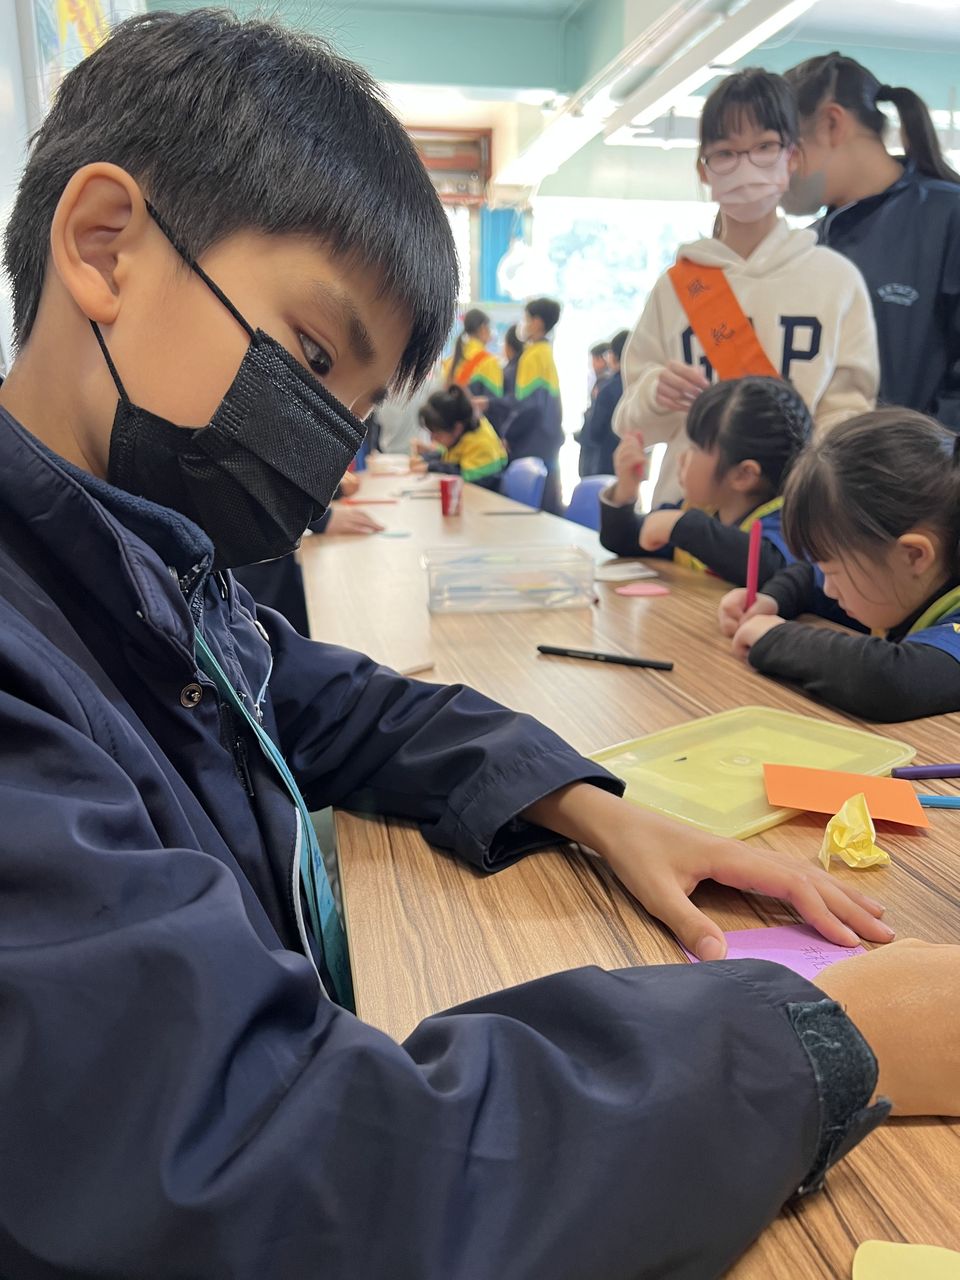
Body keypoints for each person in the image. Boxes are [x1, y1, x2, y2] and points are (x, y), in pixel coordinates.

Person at [0, 12, 955, 1278]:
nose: (322, 453)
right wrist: (825, 1033)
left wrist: (595, 805)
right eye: (313, 353)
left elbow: (330, 701)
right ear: (102, 243)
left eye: (353, 409)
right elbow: (291, 1170)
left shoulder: (130, 562)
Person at [614, 68, 879, 507]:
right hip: (685, 513)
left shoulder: (836, 279)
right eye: (725, 153)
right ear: (704, 170)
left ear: (792, 157)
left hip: (793, 516)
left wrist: (803, 487)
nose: (745, 166)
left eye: (764, 147)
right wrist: (654, 393)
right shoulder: (676, 287)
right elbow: (630, 424)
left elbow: (849, 414)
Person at [722, 410, 960, 721]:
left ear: (914, 555)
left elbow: (893, 681)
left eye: (834, 573)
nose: (829, 588)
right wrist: (770, 601)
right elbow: (808, 578)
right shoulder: (900, 582)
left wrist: (777, 638)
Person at [783, 53, 960, 430]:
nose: (781, 172)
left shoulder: (948, 217)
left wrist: (920, 456)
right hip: (825, 464)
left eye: (787, 150)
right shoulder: (807, 245)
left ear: (832, 124)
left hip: (924, 464)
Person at [600, 377, 810, 582]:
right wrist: (624, 492)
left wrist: (680, 526)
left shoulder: (787, 526)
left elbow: (775, 570)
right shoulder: (699, 510)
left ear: (743, 475)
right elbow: (624, 540)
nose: (681, 457)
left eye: (694, 447)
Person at [235, 477, 384, 636]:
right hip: (250, 566)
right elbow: (254, 474)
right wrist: (318, 518)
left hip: (272, 554)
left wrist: (326, 498)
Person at [500, 296, 565, 512]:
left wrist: (508, 435)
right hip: (547, 440)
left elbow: (527, 405)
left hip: (531, 442)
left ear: (537, 322)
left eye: (527, 319)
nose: (524, 324)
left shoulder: (532, 356)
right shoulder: (546, 353)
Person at [411, 385, 507, 489]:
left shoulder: (481, 443)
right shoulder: (461, 432)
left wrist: (430, 467)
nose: (432, 439)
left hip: (486, 494)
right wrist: (425, 458)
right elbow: (447, 455)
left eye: (437, 434)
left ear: (457, 428)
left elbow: (465, 476)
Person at [579, 328, 629, 477]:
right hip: (629, 459)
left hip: (606, 461)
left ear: (615, 356)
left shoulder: (607, 389)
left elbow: (595, 431)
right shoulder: (638, 385)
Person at [442, 306, 503, 402]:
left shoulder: (449, 361)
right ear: (483, 328)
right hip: (474, 412)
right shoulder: (488, 361)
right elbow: (496, 402)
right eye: (489, 328)